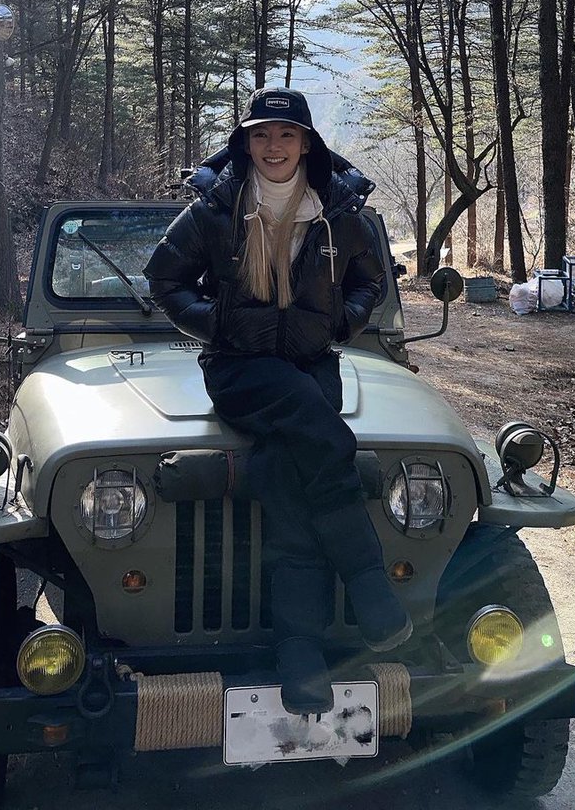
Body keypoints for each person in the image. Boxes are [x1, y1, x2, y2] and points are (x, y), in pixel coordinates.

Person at [144, 87, 412, 715]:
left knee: (288, 474)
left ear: (306, 144)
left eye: (286, 135)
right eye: (261, 134)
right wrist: (218, 324)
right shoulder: (218, 205)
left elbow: (371, 279)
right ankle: (367, 580)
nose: (273, 146)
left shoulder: (337, 209)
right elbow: (165, 278)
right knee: (327, 440)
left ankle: (300, 651)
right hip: (239, 366)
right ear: (245, 141)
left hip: (311, 363)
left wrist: (341, 323)